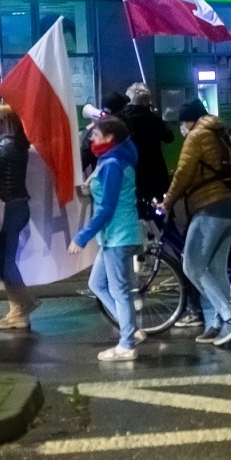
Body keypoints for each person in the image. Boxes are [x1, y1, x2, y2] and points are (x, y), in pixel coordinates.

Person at [163, 98, 231, 348]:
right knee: (215, 269)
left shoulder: (197, 135)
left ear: (188, 120)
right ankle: (219, 324)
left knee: (191, 265)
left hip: (211, 205)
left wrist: (167, 202)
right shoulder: (219, 132)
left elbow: (183, 173)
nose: (182, 128)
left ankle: (230, 317)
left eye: (182, 122)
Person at [69, 116, 144, 363]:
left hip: (117, 236)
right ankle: (130, 329)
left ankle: (126, 344)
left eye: (96, 135)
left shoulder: (111, 163)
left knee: (119, 290)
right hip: (118, 234)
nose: (91, 138)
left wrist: (82, 236)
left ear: (110, 138)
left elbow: (107, 208)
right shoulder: (116, 158)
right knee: (97, 284)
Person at [0, 104, 35, 331]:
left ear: (3, 122)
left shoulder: (4, 146)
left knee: (4, 260)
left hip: (12, 207)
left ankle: (22, 306)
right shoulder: (17, 144)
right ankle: (20, 306)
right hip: (17, 206)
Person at [122, 82, 174, 215]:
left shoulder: (123, 120)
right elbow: (169, 137)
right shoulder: (153, 119)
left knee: (137, 212)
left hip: (133, 171)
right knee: (159, 212)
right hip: (155, 170)